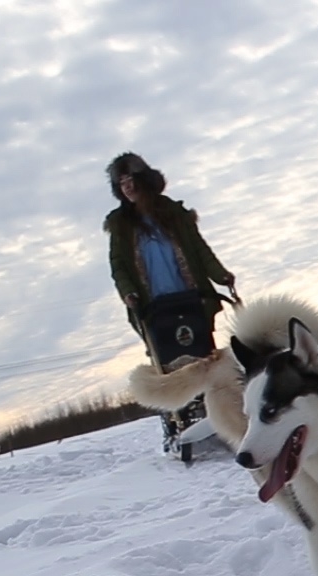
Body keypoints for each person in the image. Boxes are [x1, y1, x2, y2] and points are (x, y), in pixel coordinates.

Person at [103, 152, 239, 460]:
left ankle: (222, 413)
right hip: (152, 305)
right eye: (120, 183)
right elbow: (118, 265)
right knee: (168, 363)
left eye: (130, 179)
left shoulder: (173, 213)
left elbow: (199, 249)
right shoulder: (120, 224)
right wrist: (127, 292)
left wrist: (220, 275)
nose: (126, 187)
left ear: (144, 179)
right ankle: (176, 422)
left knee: (205, 356)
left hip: (190, 297)